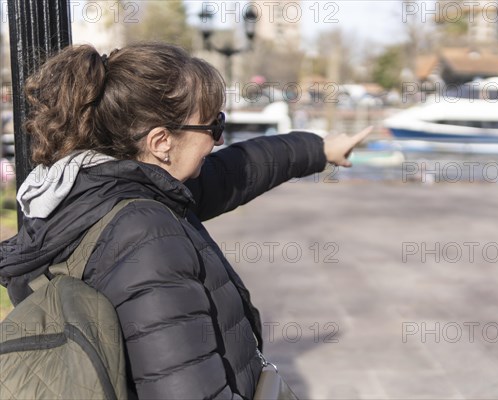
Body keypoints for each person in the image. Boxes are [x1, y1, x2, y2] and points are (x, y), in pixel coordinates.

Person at [0, 43, 370, 399]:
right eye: (212, 127)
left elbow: (236, 172)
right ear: (161, 141)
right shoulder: (145, 236)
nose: (218, 141)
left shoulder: (92, 187)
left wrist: (319, 150)